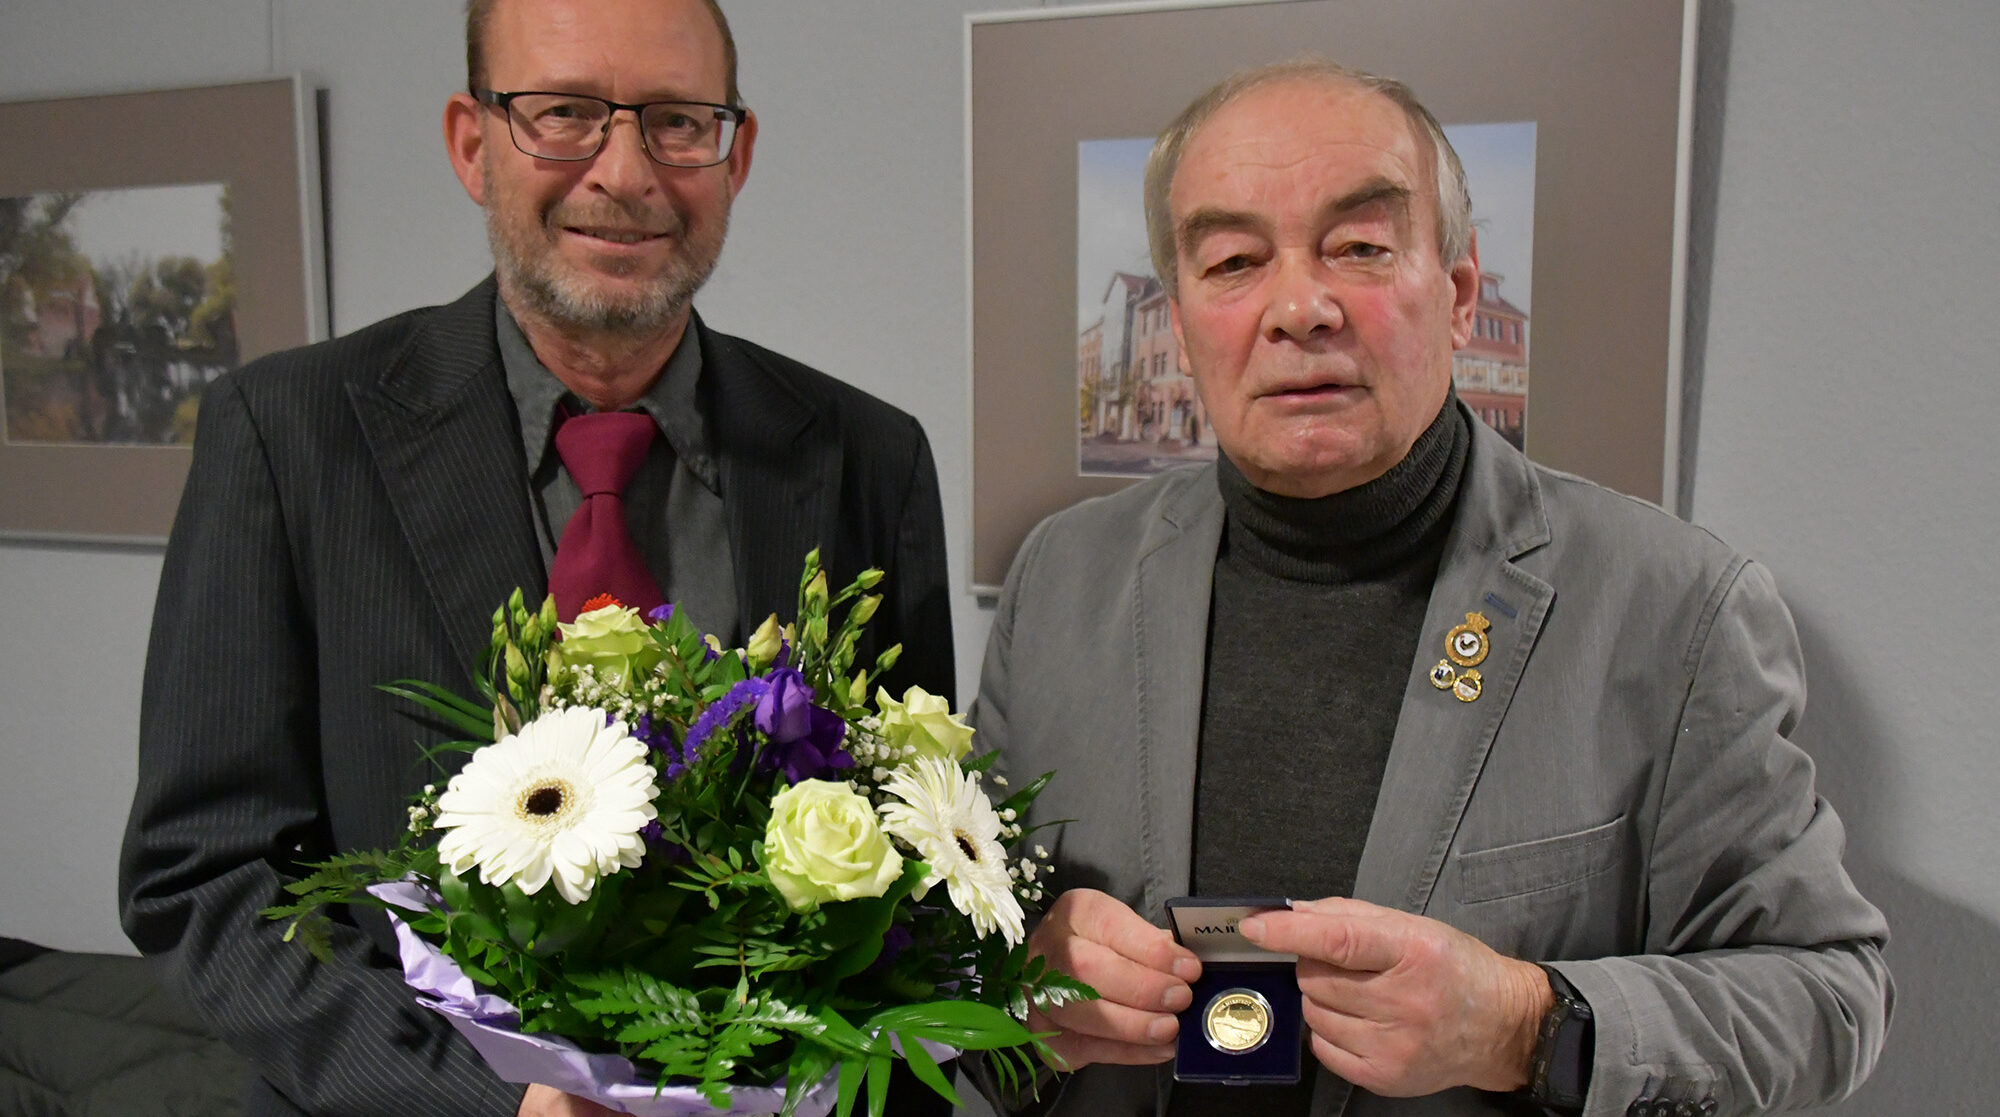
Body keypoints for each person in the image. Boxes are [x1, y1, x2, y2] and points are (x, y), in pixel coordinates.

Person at [974, 60, 1890, 1116]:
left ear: (1455, 295)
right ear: (1180, 328)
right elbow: (955, 961)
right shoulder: (1061, 579)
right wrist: (1014, 992)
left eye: (1358, 247)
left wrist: (1523, 1023)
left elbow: (1829, 992)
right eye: (1232, 260)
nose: (1300, 307)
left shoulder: (1672, 609)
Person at [117, 2, 953, 1115]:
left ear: (735, 152)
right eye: (564, 114)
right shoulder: (289, 434)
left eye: (676, 120)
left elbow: (916, 851)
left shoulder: (866, 454)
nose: (624, 172)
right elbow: (206, 875)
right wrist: (483, 1100)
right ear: (473, 143)